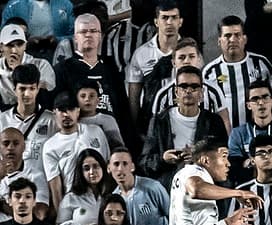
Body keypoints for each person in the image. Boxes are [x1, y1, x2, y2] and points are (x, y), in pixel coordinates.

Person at [53, 14, 135, 150]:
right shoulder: (63, 69)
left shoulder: (111, 67)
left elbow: (123, 109)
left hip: (112, 138)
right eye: (83, 31)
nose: (88, 35)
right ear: (75, 38)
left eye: (93, 31)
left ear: (100, 36)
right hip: (78, 140)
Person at [139, 65, 227, 187]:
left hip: (204, 186)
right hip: (168, 186)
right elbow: (144, 163)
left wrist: (198, 157)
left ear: (201, 93)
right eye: (183, 86)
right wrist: (163, 159)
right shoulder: (160, 121)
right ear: (176, 92)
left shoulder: (213, 121)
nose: (188, 90)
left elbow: (223, 160)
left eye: (194, 87)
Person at [43, 90, 110, 214]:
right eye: (62, 110)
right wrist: (62, 217)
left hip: (101, 198)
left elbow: (106, 166)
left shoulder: (95, 131)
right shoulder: (50, 146)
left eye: (71, 109)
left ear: (78, 111)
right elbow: (56, 189)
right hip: (75, 202)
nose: (66, 114)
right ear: (54, 113)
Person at [202, 15, 272, 129]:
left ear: (245, 39)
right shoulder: (210, 72)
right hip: (225, 138)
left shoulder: (261, 63)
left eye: (237, 35)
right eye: (227, 35)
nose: (232, 40)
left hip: (259, 135)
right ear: (219, 41)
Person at [0, 65, 57, 205]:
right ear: (14, 90)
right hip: (8, 192)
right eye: (22, 89)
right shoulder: (2, 120)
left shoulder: (52, 120)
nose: (27, 94)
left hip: (41, 192)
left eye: (32, 88)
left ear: (38, 89)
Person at [227, 80, 272, 184]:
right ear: (248, 105)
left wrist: (251, 163)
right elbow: (234, 170)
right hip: (248, 189)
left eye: (265, 97)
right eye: (255, 99)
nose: (261, 103)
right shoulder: (237, 134)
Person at [149, 37, 229, 134]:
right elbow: (155, 130)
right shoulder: (163, 95)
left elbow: (225, 124)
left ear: (199, 59)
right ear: (173, 62)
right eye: (181, 57)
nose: (187, 61)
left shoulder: (213, 91)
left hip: (206, 146)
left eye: (191, 56)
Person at [126, 0, 183, 128]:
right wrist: (135, 128)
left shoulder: (191, 53)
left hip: (182, 119)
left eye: (174, 17)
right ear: (156, 22)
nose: (169, 22)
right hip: (151, 120)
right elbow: (134, 97)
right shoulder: (141, 54)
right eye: (164, 18)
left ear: (180, 21)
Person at [109, 146, 170, 225]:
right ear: (109, 168)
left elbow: (172, 216)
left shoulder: (153, 187)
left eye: (125, 164)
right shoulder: (114, 199)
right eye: (116, 164)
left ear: (132, 167)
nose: (120, 169)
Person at [57, 148, 115, 225]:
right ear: (81, 172)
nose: (92, 172)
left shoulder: (113, 195)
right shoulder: (70, 198)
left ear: (103, 168)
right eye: (86, 168)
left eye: (96, 166)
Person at [0, 127, 49, 222]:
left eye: (16, 143)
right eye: (6, 143)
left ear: (24, 147)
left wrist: (2, 205)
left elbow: (39, 214)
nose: (10, 148)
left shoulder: (35, 175)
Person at [0, 23, 56, 105]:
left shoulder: (42, 65)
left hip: (37, 112)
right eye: (10, 45)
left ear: (25, 45)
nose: (15, 50)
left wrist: (19, 71)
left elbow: (45, 93)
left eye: (19, 44)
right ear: (1, 47)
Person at [1, 0, 74, 60]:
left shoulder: (65, 4)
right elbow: (3, 36)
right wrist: (25, 42)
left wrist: (58, 40)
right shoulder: (13, 6)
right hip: (24, 59)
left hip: (58, 57)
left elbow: (75, 35)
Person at [77, 79, 124, 149]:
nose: (87, 99)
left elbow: (118, 147)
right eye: (83, 96)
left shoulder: (108, 120)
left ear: (98, 100)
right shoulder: (73, 121)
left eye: (91, 96)